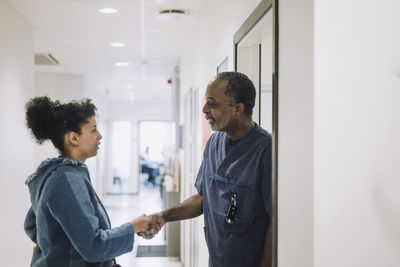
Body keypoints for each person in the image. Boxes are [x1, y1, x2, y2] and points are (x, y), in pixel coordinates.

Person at [143, 71, 272, 267]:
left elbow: (276, 220)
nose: (204, 109)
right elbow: (204, 198)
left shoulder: (266, 150)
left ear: (238, 108)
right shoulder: (214, 142)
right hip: (218, 258)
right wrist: (164, 216)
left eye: (212, 103)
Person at [24, 96, 150, 267]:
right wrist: (133, 227)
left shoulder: (59, 173)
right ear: (74, 138)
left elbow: (32, 225)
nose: (100, 136)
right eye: (93, 130)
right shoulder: (66, 180)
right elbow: (93, 246)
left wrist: (60, 245)